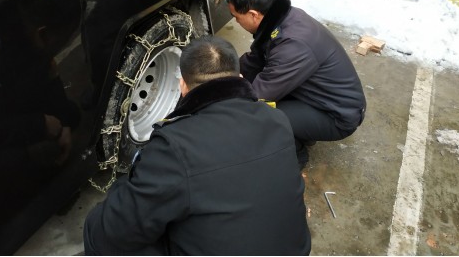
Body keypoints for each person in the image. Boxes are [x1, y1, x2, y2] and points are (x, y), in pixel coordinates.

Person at [83, 35, 311, 256]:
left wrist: (128, 182)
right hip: (296, 250)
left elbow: (113, 229)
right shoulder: (277, 119)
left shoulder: (174, 146)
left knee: (97, 231)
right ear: (241, 77)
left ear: (182, 85)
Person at [226, 0, 366, 169]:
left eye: (236, 17)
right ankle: (302, 129)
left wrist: (223, 98)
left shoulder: (292, 45)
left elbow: (258, 94)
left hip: (338, 115)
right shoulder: (282, 19)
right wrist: (225, 75)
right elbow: (256, 59)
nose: (236, 21)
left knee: (259, 114)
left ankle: (294, 155)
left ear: (253, 14)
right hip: (320, 98)